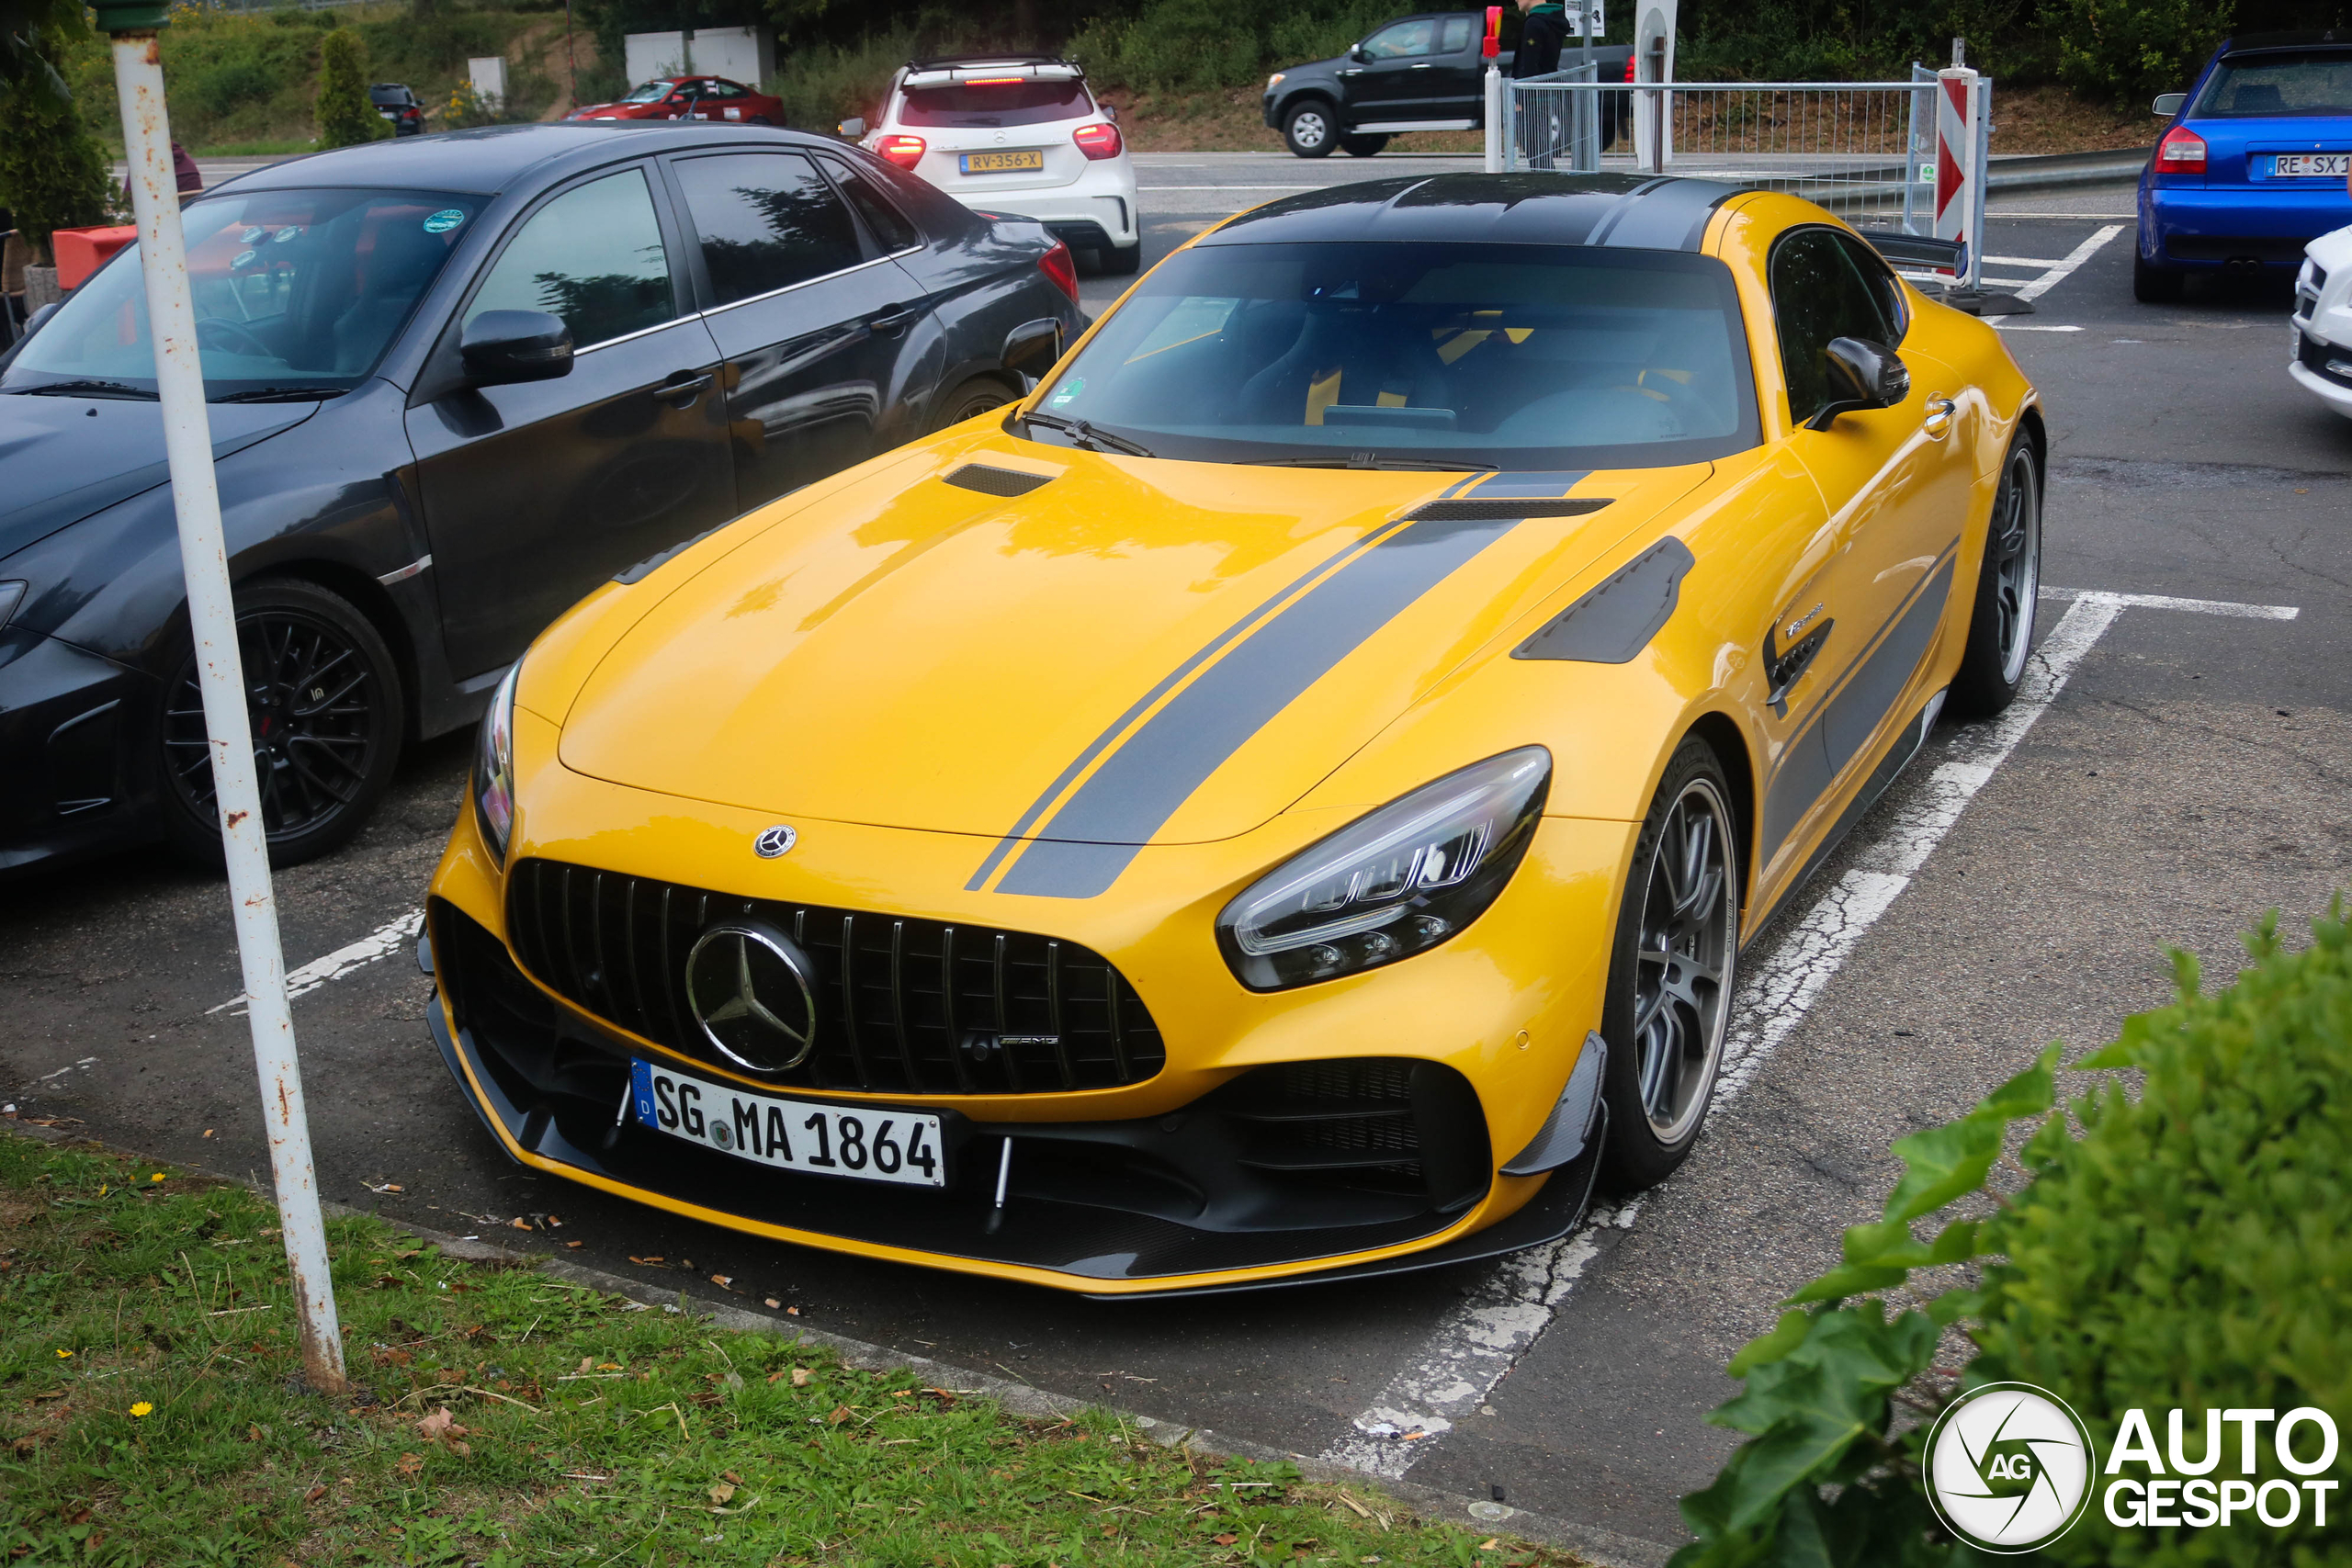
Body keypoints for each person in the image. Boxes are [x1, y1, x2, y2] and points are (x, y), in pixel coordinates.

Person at [1513, 0, 1572, 166]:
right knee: (1541, 151)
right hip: (1544, 93)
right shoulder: (1552, 20)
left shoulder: (1534, 23)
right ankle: (1547, 185)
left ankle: (1546, 188)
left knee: (1535, 151)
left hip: (1531, 96)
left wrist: (1520, 98)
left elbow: (1529, 64)